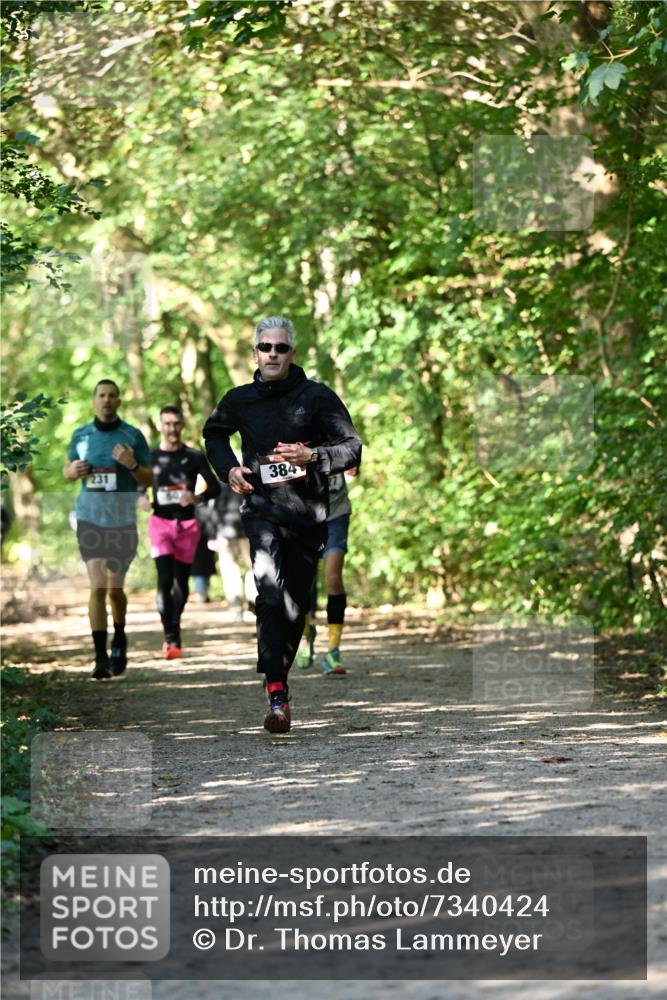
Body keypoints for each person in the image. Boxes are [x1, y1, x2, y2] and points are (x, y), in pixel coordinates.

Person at [203, 315, 362, 733]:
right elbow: (214, 436)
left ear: (292, 353)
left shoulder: (317, 397)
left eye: (281, 347)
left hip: (308, 518)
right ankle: (275, 692)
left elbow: (352, 448)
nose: (273, 354)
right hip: (262, 513)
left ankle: (280, 684)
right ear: (254, 353)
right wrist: (229, 470)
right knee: (269, 594)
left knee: (294, 608)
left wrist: (314, 458)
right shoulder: (239, 400)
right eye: (266, 347)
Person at [63, 379, 152, 679]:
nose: (106, 400)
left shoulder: (132, 436)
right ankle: (100, 656)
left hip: (122, 521)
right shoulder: (80, 435)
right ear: (93, 400)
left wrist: (131, 465)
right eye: (101, 395)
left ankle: (120, 637)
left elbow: (149, 480)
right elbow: (67, 469)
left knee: (115, 590)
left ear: (119, 401)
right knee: (97, 587)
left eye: (112, 395)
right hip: (89, 518)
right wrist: (72, 471)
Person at [143, 405, 221, 659]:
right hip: (160, 524)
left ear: (182, 426)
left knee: (181, 586)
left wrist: (196, 497)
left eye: (176, 424)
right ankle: (171, 638)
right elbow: (135, 483)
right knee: (164, 581)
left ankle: (173, 629)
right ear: (160, 426)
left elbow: (215, 489)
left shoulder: (194, 456)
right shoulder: (151, 457)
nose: (172, 428)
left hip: (187, 526)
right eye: (167, 424)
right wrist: (140, 498)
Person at [296, 468, 357, 675]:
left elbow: (352, 463)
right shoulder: (296, 436)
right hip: (305, 517)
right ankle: (304, 635)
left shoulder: (340, 436)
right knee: (304, 580)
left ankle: (333, 650)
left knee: (333, 578)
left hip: (336, 515)